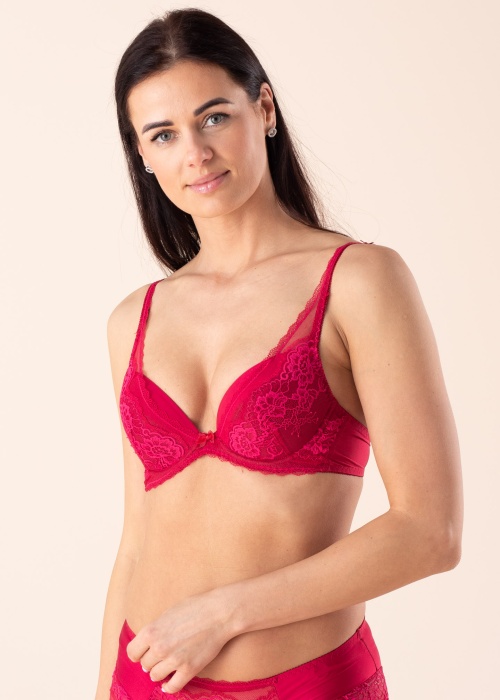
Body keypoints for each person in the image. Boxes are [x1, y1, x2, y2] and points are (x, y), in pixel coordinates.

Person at [94, 8, 463, 700]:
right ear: (142, 154)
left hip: (306, 684)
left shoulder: (359, 281)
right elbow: (136, 542)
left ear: (263, 108)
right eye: (163, 134)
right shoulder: (132, 320)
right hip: (141, 681)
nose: (195, 154)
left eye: (213, 117)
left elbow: (430, 532)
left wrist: (224, 613)